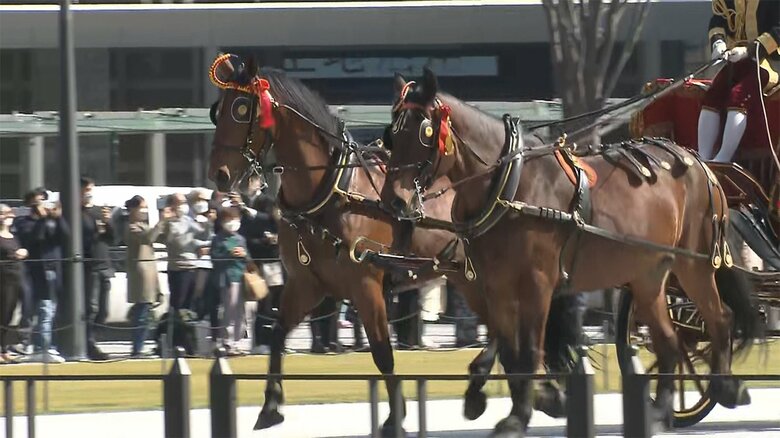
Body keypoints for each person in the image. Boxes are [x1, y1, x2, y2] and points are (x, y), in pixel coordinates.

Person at [697, 0, 780, 162]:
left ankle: (723, 158)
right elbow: (718, 19)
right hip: (736, 59)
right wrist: (718, 42)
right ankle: (703, 157)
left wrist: (750, 50)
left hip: (768, 61)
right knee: (713, 94)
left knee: (738, 96)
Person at [14, 189, 68, 363]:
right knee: (42, 309)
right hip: (35, 272)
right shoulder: (23, 222)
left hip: (55, 269)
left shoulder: (52, 222)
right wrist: (43, 219)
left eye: (44, 201)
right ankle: (42, 347)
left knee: (51, 310)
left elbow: (65, 237)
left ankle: (45, 345)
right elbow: (33, 239)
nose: (43, 205)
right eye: (38, 202)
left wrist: (58, 217)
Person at [125, 196, 170, 358]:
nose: (144, 211)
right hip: (141, 275)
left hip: (150, 273)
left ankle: (141, 346)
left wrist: (165, 223)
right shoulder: (132, 227)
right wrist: (161, 221)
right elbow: (149, 238)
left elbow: (158, 236)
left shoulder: (143, 226)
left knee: (145, 312)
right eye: (141, 208)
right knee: (141, 314)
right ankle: (137, 348)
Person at [243, 194, 283, 354]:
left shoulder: (280, 224)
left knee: (278, 306)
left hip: (278, 267)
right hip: (262, 265)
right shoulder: (255, 223)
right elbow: (249, 241)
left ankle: (277, 342)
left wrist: (277, 239)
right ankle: (260, 341)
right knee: (264, 306)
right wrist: (264, 241)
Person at [80, 177, 113, 361]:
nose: (90, 193)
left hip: (104, 264)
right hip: (89, 266)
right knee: (91, 308)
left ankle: (94, 340)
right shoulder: (76, 213)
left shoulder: (96, 213)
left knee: (103, 310)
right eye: (87, 189)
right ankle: (89, 344)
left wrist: (107, 223)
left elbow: (111, 239)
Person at [159, 193, 208, 311]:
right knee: (178, 305)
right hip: (178, 269)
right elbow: (178, 242)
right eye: (180, 203)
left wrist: (207, 223)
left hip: (192, 267)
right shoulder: (169, 223)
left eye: (185, 203)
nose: (183, 206)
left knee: (190, 305)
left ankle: (187, 327)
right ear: (171, 205)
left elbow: (203, 235)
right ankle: (176, 327)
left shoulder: (188, 220)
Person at [211, 207, 248, 355]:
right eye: (229, 220)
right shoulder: (218, 239)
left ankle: (238, 342)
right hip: (227, 278)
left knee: (241, 313)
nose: (232, 223)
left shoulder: (241, 239)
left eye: (235, 219)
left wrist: (244, 254)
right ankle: (227, 342)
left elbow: (248, 259)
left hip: (241, 278)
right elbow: (215, 258)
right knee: (229, 311)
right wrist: (229, 253)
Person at [0, 204, 27, 363]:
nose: (8, 216)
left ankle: (4, 349)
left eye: (9, 213)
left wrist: (23, 252)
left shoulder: (12, 236)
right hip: (3, 280)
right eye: (4, 213)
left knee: (9, 316)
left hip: (16, 278)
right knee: (1, 314)